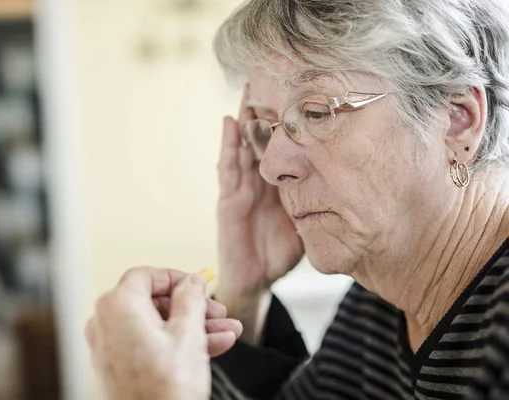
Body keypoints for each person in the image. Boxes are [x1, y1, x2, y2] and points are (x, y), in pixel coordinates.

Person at [85, 0, 509, 398]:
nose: (271, 167)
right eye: (268, 125)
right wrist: (243, 293)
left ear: (457, 120)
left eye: (316, 112)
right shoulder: (377, 303)